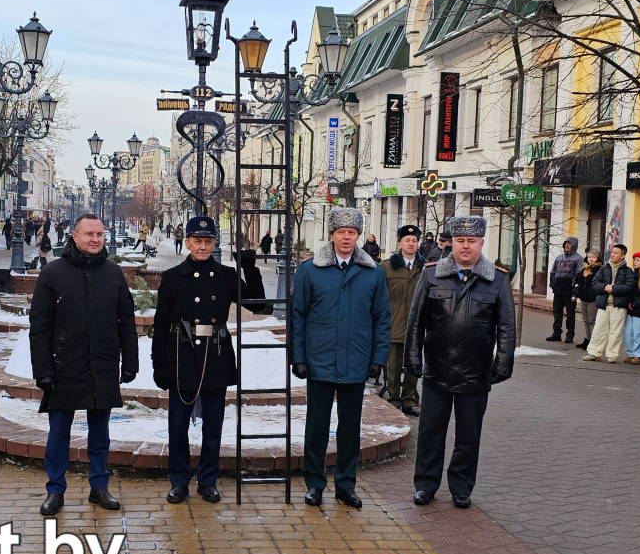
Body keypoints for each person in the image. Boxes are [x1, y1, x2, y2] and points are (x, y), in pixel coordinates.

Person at [152, 216, 268, 504]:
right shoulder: (173, 277)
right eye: (197, 241)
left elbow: (259, 305)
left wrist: (249, 268)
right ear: (187, 243)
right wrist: (159, 364)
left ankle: (207, 480)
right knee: (178, 425)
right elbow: (161, 323)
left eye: (208, 241)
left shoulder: (226, 275)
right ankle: (179, 481)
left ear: (214, 243)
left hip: (215, 355)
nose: (203, 246)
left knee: (213, 424)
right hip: (181, 355)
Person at [29, 214, 138, 515]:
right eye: (89, 234)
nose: (95, 239)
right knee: (58, 434)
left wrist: (130, 361)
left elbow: (126, 321)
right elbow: (40, 327)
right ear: (74, 236)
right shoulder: (53, 273)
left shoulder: (113, 273)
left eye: (99, 234)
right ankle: (55, 490)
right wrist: (43, 370)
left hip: (102, 364)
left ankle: (99, 487)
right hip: (64, 364)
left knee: (100, 433)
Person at [405, 216, 515, 509]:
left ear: (481, 243)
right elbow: (416, 322)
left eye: (471, 241)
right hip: (437, 368)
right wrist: (412, 357)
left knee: (468, 435)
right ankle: (425, 485)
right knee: (430, 432)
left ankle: (462, 487)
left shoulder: (497, 280)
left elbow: (506, 326)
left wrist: (503, 364)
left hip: (475, 372)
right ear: (452, 243)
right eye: (460, 240)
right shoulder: (431, 275)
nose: (465, 246)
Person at [291, 207, 391, 509]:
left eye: (351, 232)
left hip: (356, 361)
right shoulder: (310, 270)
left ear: (358, 236)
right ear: (332, 235)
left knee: (350, 428)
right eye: (340, 232)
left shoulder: (373, 273)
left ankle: (346, 484)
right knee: (316, 427)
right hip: (319, 360)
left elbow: (381, 319)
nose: (346, 237)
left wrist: (378, 358)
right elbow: (297, 316)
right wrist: (298, 357)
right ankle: (315, 483)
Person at [384, 225, 424, 416]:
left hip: (416, 325)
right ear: (400, 243)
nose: (411, 244)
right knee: (392, 365)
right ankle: (394, 398)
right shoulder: (386, 267)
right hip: (393, 322)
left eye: (414, 241)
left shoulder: (425, 268)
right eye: (407, 240)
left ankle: (408, 399)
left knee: (413, 364)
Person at [583, 244, 637, 364]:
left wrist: (614, 289)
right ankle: (594, 353)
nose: (612, 255)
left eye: (616, 253)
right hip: (603, 304)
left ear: (622, 256)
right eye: (612, 252)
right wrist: (604, 287)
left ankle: (612, 355)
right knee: (599, 330)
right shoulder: (604, 268)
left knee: (615, 332)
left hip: (618, 306)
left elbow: (629, 287)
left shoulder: (627, 271)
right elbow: (595, 283)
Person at [547, 237, 583, 343]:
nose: (567, 245)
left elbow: (578, 275)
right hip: (558, 290)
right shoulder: (559, 258)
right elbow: (553, 272)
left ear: (574, 245)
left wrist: (575, 291)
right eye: (565, 243)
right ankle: (556, 333)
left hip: (569, 291)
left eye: (569, 244)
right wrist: (553, 284)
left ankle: (570, 334)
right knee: (557, 312)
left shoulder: (578, 258)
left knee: (570, 314)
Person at [572, 250, 602, 350]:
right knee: (586, 321)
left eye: (593, 257)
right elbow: (577, 281)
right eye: (589, 257)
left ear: (597, 258)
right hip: (583, 298)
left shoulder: (599, 270)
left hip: (593, 299)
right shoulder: (583, 269)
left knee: (592, 321)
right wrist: (576, 293)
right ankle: (587, 338)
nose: (591, 259)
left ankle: (593, 341)